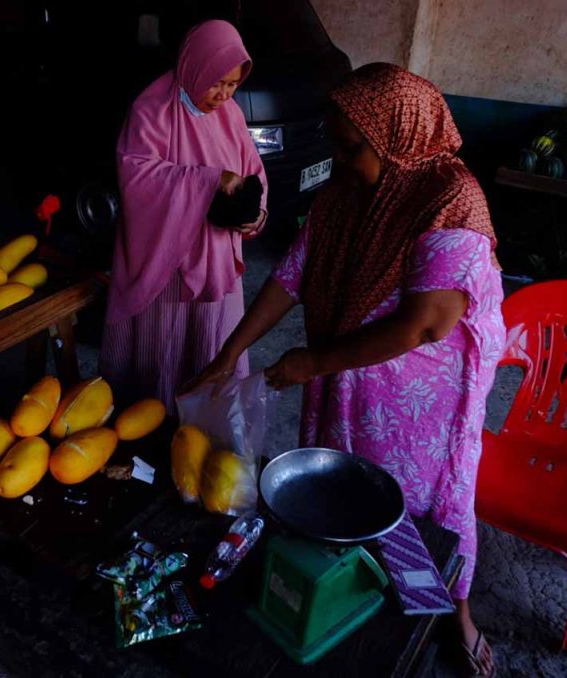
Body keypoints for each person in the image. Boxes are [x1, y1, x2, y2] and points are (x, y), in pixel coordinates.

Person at [193, 63, 504, 677]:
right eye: (336, 144)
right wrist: (232, 351)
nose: (341, 160)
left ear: (398, 135)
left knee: (423, 513)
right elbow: (291, 276)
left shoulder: (451, 201)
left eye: (352, 147)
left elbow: (424, 324)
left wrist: (313, 362)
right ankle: (343, 595)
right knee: (338, 494)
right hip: (343, 380)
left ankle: (456, 614)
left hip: (419, 402)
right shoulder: (345, 193)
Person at [100, 19, 268, 412]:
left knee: (212, 352)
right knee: (165, 356)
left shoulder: (231, 115)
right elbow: (136, 176)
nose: (223, 94)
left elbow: (254, 170)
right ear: (195, 65)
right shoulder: (151, 109)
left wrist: (256, 212)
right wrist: (208, 181)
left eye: (231, 85)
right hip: (169, 263)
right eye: (216, 82)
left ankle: (208, 430)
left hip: (218, 259)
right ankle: (154, 432)